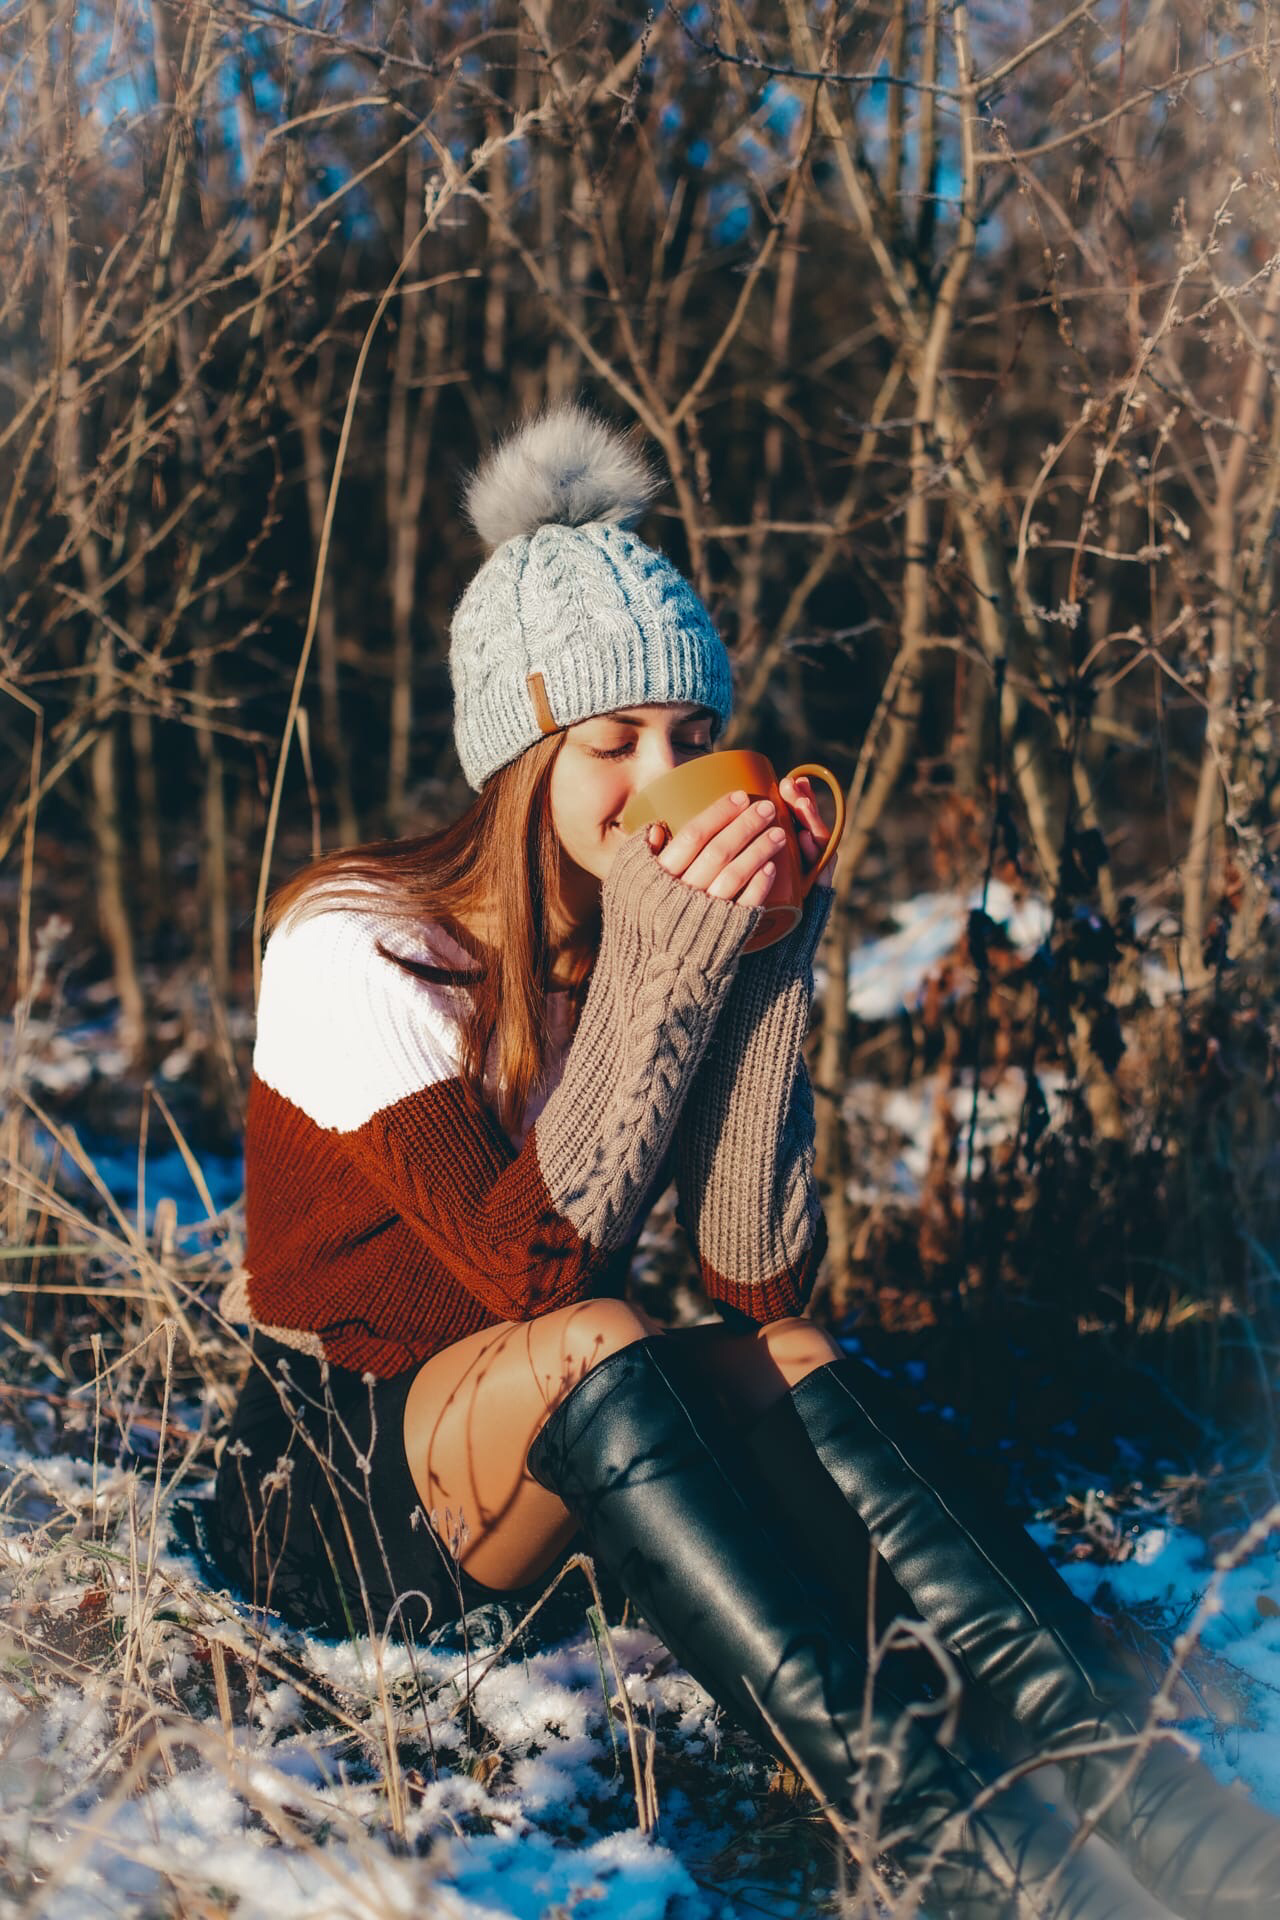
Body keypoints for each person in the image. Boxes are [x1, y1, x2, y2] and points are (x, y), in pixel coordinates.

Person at [215, 402, 1278, 1917]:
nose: (664, 774)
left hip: (543, 1433)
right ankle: (946, 1851)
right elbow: (527, 1277)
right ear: (520, 757)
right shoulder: (362, 944)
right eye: (615, 740)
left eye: (692, 737)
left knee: (778, 1348)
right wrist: (665, 961)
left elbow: (752, 1271)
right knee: (593, 1333)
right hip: (339, 1481)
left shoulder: (634, 940)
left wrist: (770, 968)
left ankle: (1115, 1768)